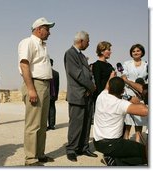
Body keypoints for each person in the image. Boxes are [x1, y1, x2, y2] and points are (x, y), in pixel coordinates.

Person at [18, 17, 55, 166]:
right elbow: (24, 65)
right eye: (47, 29)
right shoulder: (28, 42)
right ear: (39, 29)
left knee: (41, 123)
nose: (49, 32)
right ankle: (31, 159)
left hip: (44, 85)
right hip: (35, 84)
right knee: (33, 124)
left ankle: (40, 154)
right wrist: (31, 89)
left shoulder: (42, 45)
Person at [93, 75, 148, 166]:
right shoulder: (120, 104)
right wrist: (129, 98)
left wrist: (111, 75)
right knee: (147, 152)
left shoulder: (102, 95)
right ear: (122, 91)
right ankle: (114, 161)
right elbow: (145, 111)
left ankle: (112, 157)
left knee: (131, 149)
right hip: (113, 144)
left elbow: (108, 85)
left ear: (109, 87)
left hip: (98, 142)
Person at [64, 31, 97, 162]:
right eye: (88, 41)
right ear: (81, 41)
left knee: (87, 122)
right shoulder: (70, 54)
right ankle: (71, 149)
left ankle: (83, 147)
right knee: (76, 124)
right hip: (77, 95)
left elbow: (89, 74)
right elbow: (77, 74)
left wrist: (91, 87)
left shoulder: (82, 56)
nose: (89, 44)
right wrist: (91, 86)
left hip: (87, 95)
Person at [122, 44, 148, 143]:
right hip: (129, 94)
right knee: (128, 118)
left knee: (139, 118)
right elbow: (124, 77)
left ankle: (138, 140)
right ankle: (126, 139)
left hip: (142, 95)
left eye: (138, 51)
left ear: (142, 52)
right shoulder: (126, 64)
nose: (136, 53)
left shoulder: (147, 64)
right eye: (133, 51)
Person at [47, 58, 59, 130]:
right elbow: (57, 85)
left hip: (46, 94)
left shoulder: (44, 73)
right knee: (52, 109)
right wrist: (56, 95)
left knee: (45, 110)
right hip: (53, 94)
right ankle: (52, 125)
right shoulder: (56, 73)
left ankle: (45, 126)